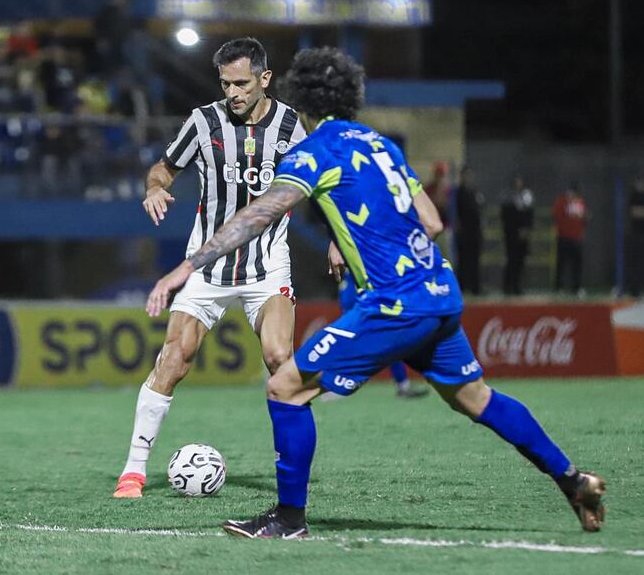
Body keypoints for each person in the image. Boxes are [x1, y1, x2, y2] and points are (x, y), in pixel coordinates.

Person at [146, 47, 606, 538]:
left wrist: (186, 267)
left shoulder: (316, 150)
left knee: (285, 388)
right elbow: (431, 220)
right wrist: (363, 239)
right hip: (440, 293)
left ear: (297, 97)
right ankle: (574, 481)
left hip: (395, 303)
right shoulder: (381, 145)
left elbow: (260, 213)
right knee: (476, 397)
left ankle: (288, 519)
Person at [113, 38, 306, 499]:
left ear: (264, 79)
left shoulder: (293, 127)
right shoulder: (204, 122)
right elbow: (163, 168)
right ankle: (133, 472)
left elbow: (321, 186)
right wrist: (154, 188)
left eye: (242, 83)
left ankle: (290, 474)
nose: (233, 92)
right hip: (207, 266)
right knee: (174, 358)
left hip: (267, 268)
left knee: (281, 361)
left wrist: (339, 244)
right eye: (225, 84)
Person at [337, 268, 427, 398]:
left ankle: (402, 384)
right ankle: (332, 384)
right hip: (359, 303)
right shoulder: (353, 270)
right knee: (350, 342)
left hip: (367, 299)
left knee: (389, 341)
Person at [552, 182, 589, 295]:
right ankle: (559, 288)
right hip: (563, 237)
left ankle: (576, 288)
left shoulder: (580, 202)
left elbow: (584, 220)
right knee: (561, 264)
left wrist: (584, 217)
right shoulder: (561, 201)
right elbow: (556, 216)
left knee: (577, 265)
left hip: (577, 238)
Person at [454, 165, 484, 295]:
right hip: (464, 233)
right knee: (463, 261)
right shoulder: (458, 193)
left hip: (475, 232)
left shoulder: (475, 192)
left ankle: (475, 287)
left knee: (474, 260)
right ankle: (462, 286)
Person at [501, 175, 533, 295]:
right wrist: (514, 230)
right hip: (511, 235)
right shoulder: (508, 197)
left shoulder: (527, 197)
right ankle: (508, 287)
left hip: (523, 235)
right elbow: (505, 217)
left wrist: (526, 230)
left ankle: (518, 286)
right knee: (511, 260)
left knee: (521, 261)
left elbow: (529, 215)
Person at [627, 176, 644, 296]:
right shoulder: (635, 196)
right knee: (637, 262)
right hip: (638, 234)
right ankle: (635, 290)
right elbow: (634, 212)